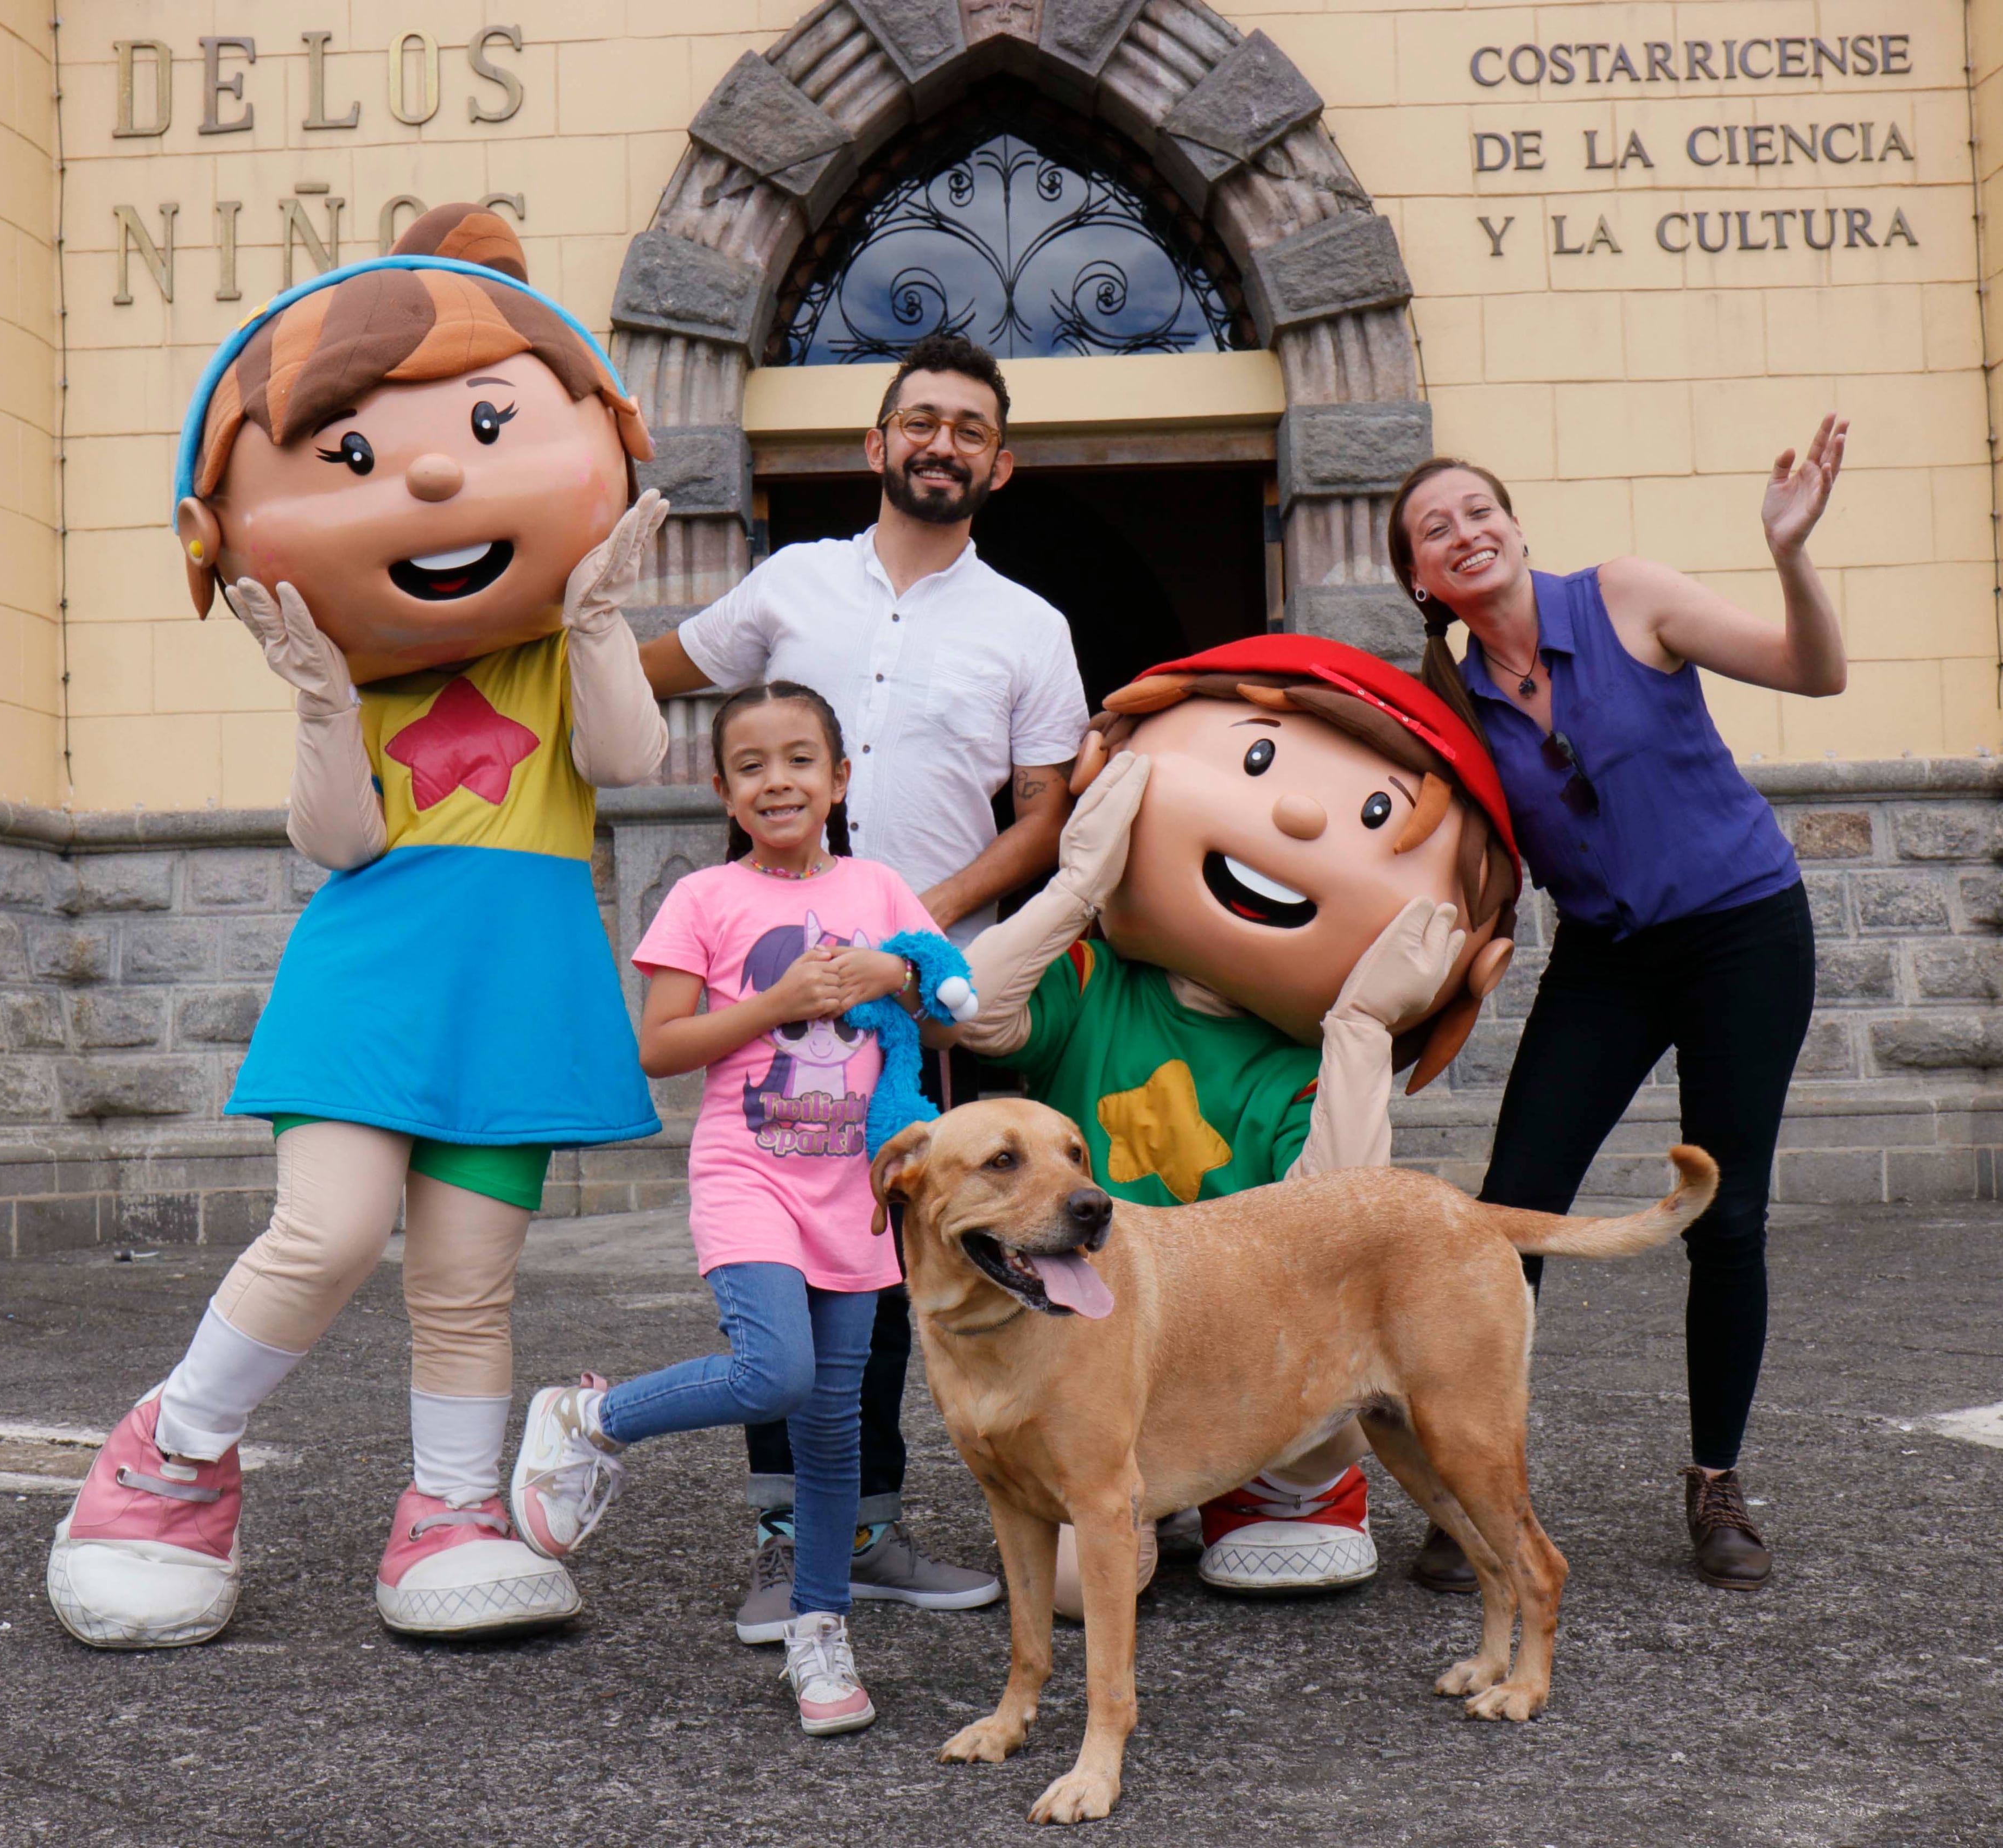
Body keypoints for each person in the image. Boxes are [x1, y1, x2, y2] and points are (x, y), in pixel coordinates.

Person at [46, 204, 669, 1647]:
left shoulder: (556, 653)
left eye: (490, 422)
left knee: (466, 1277)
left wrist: (594, 618)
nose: (440, 470)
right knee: (324, 1231)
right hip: (371, 967)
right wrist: (325, 699)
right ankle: (168, 1458)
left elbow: (632, 763)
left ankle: (449, 1511)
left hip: (517, 980)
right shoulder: (359, 669)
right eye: (361, 457)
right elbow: (338, 840)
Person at [640, 332, 1089, 1637]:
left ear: (996, 465)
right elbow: (653, 672)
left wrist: (909, 927)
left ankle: (873, 1529)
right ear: (874, 443)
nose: (939, 442)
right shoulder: (790, 585)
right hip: (782, 996)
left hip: (927, 997)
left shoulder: (1030, 625)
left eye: (966, 428)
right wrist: (521, 634)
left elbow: (1046, 812)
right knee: (782, 1255)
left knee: (898, 1270)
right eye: (919, 420)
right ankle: (789, 1542)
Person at [1386, 417, 1850, 1592]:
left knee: (1727, 1211)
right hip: (1605, 955)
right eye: (1435, 531)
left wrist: (1791, 553)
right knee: (1510, 1210)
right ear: (1423, 580)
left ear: (1514, 526)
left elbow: (1816, 671)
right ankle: (1480, 1482)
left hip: (1744, 928)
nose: (1464, 532)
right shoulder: (1449, 710)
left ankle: (1715, 1481)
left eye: (1477, 511)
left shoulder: (1627, 597)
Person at [956, 635, 1520, 1602]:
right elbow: (975, 1009)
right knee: (1063, 1587)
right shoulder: (1097, 989)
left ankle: (1295, 1492)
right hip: (1089, 1350)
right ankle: (1129, 1500)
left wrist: (1357, 1026)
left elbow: (1345, 1219)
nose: (1297, 814)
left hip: (1250, 1371)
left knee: (1339, 1332)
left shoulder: (1304, 1072)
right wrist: (1077, 882)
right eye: (1253, 759)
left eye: (1373, 817)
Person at [509, 681, 959, 1737]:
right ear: (723, 788)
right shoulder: (705, 897)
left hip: (858, 1184)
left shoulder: (884, 887)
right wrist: (774, 1004)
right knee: (776, 1370)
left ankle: (818, 1630)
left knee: (833, 1427)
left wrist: (894, 968)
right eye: (751, 765)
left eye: (800, 759)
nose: (778, 780)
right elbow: (660, 1047)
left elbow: (947, 1016)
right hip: (748, 1174)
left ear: (839, 778)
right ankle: (589, 1417)